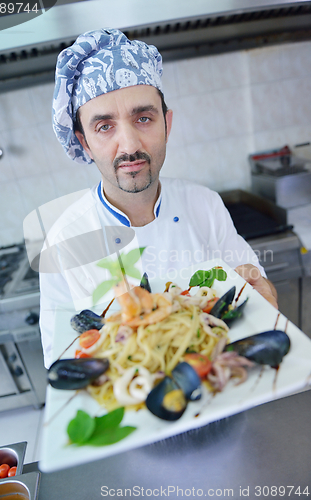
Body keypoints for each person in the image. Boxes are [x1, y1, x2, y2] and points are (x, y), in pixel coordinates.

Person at [38, 28, 278, 368]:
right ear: (84, 142)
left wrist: (262, 291)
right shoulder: (63, 242)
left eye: (143, 118)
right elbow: (61, 361)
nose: (130, 145)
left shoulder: (204, 205)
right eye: (105, 126)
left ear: (166, 123)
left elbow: (252, 285)